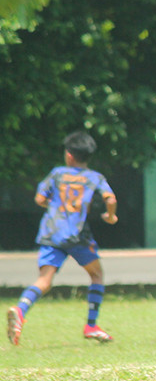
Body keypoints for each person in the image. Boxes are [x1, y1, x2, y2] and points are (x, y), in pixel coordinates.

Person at [7, 131, 118, 346]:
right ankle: (91, 325)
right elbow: (110, 198)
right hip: (78, 235)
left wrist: (56, 207)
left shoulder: (57, 173)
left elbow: (39, 199)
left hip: (52, 233)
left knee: (45, 279)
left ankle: (20, 310)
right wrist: (110, 216)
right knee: (96, 275)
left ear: (69, 155)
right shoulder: (95, 177)